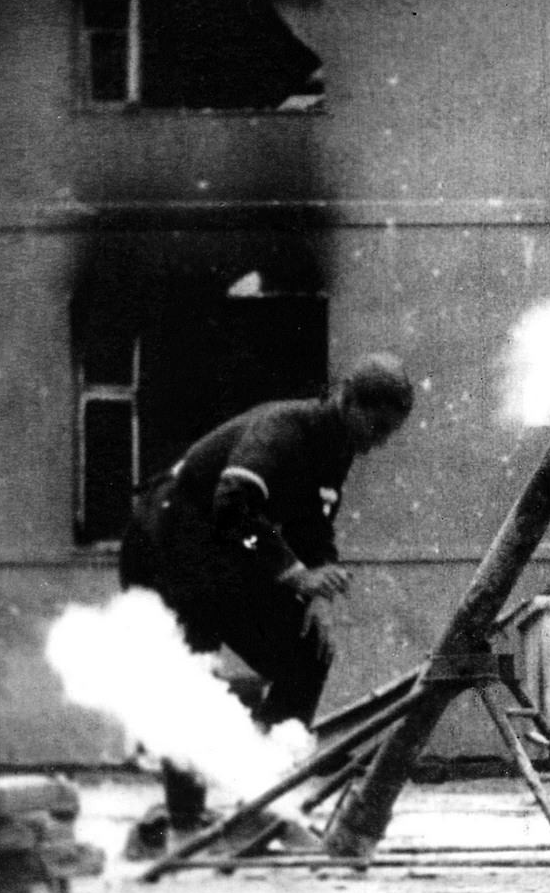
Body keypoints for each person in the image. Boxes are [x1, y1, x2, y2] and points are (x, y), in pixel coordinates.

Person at [119, 352, 414, 842]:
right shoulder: (284, 430)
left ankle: (260, 802)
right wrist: (294, 573)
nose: (378, 442)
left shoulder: (335, 444)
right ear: (344, 399)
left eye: (389, 432)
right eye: (376, 425)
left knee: (305, 656)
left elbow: (310, 523)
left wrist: (318, 575)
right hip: (163, 541)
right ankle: (184, 822)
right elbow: (233, 507)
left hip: (218, 549)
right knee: (193, 669)